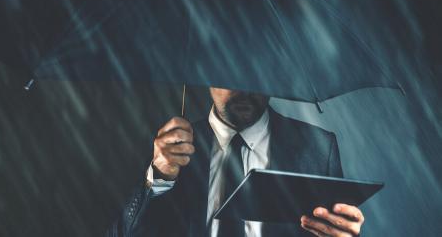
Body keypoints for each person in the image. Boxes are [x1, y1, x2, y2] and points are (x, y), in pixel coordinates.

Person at [107, 87, 365, 237]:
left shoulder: (318, 149)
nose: (244, 85)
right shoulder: (166, 148)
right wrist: (160, 178)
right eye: (230, 71)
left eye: (255, 67)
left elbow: (335, 228)